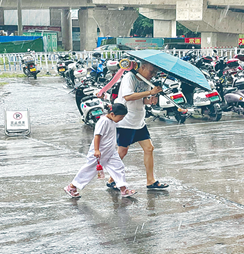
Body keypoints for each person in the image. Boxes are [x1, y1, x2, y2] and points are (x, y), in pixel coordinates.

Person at [107, 61, 168, 190]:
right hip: (126, 121)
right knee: (122, 152)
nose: (153, 75)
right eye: (151, 71)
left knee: (149, 148)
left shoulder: (146, 81)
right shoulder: (129, 77)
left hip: (139, 121)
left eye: (155, 73)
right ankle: (112, 179)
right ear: (143, 67)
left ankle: (150, 181)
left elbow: (141, 99)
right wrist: (150, 93)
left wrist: (150, 100)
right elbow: (128, 96)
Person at [64, 103, 137, 198]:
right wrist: (96, 150)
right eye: (121, 117)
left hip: (110, 152)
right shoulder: (103, 121)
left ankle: (124, 189)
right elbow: (97, 136)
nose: (121, 119)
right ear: (112, 114)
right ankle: (72, 186)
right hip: (100, 153)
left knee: (118, 168)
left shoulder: (112, 121)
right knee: (89, 170)